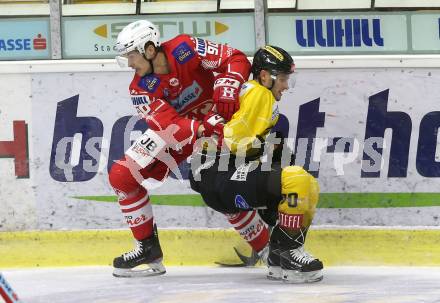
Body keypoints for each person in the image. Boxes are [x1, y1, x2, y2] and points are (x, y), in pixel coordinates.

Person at [109, 20, 272, 277]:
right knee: (122, 175)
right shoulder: (139, 88)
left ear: (150, 49)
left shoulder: (187, 47)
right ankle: (147, 248)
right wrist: (201, 127)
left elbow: (236, 58)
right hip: (187, 132)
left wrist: (229, 82)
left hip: (223, 124)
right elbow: (168, 127)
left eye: (131, 55)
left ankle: (267, 248)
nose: (129, 64)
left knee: (220, 188)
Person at [190, 45, 324, 283]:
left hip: (217, 174)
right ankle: (287, 253)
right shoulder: (260, 94)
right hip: (216, 173)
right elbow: (232, 141)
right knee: (297, 180)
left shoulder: (254, 92)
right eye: (282, 78)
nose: (285, 85)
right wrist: (267, 150)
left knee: (307, 185)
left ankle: (279, 255)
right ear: (265, 76)